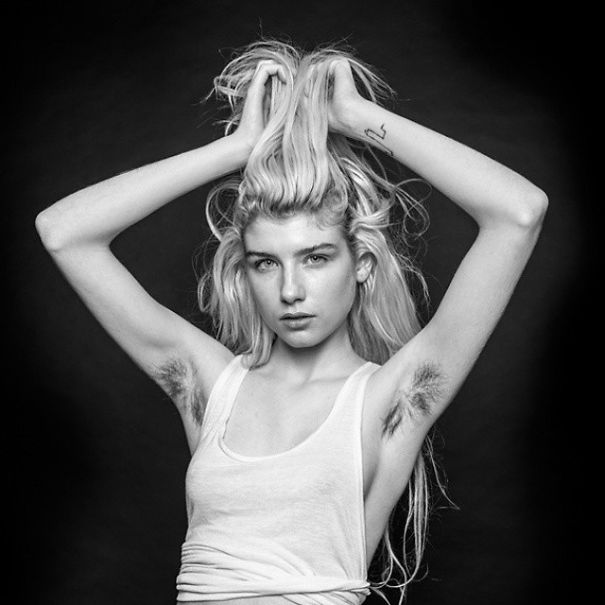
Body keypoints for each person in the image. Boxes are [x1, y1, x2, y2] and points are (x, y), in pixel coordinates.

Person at [35, 38, 547, 605]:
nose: (290, 290)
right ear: (245, 270)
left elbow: (518, 213)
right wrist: (236, 150)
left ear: (361, 263)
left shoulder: (390, 401)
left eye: (316, 258)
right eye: (265, 263)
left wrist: (356, 117)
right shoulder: (210, 388)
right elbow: (64, 233)